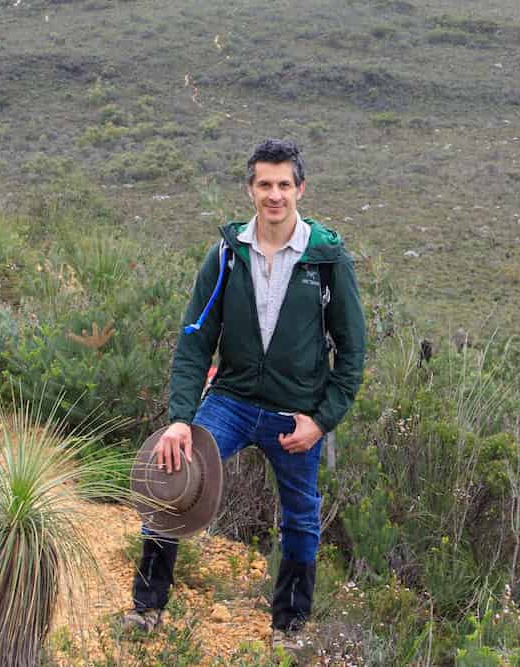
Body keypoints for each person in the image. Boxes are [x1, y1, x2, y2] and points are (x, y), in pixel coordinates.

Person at [122, 139, 366, 644]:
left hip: (295, 415)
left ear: (300, 188)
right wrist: (179, 419)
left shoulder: (326, 259)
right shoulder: (226, 254)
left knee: (301, 518)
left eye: (283, 184)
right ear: (250, 188)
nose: (274, 195)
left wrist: (321, 421)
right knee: (171, 481)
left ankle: (289, 627)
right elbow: (195, 341)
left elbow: (353, 351)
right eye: (264, 184)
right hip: (229, 401)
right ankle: (146, 608)